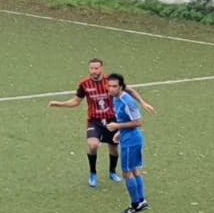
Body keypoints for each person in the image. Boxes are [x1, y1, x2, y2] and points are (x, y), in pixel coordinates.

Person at [48, 59, 156, 187]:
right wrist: (60, 104)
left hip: (112, 120)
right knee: (93, 145)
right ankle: (93, 173)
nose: (93, 71)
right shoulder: (84, 84)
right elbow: (76, 101)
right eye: (91, 68)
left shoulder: (110, 82)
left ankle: (112, 171)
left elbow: (130, 90)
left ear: (101, 68)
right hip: (95, 121)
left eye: (96, 68)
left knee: (114, 149)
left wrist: (143, 103)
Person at [105, 74, 148, 213]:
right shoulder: (117, 98)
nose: (111, 89)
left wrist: (117, 125)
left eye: (114, 86)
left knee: (127, 172)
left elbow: (138, 122)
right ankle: (141, 200)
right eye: (109, 86)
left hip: (131, 141)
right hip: (128, 137)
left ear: (121, 87)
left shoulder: (127, 102)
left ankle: (135, 204)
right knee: (135, 170)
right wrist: (119, 131)